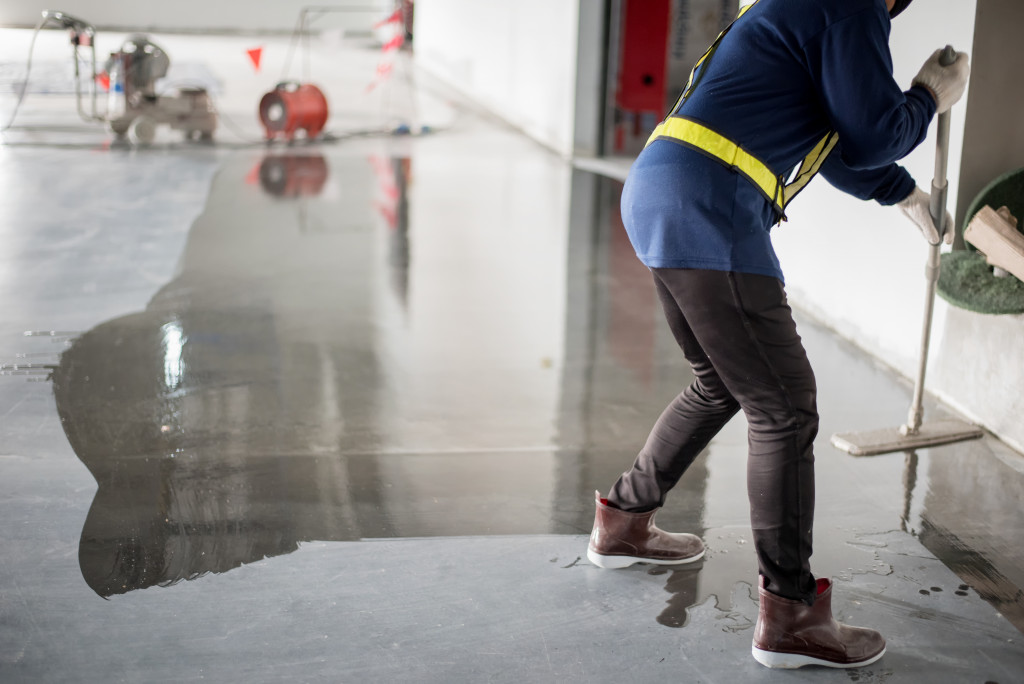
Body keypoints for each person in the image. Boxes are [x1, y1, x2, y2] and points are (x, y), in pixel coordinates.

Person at [586, 0, 970, 670]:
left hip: (663, 187)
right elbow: (878, 130)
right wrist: (924, 99)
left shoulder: (806, 10)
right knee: (785, 409)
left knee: (719, 385)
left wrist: (902, 195)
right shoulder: (849, 5)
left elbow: (846, 144)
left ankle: (622, 522)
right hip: (711, 200)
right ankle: (790, 615)